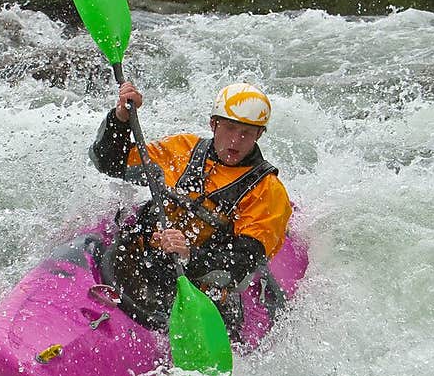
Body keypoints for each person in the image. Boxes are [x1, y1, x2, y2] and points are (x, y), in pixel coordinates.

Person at [89, 80, 292, 337]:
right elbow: (109, 162)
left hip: (200, 287)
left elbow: (243, 262)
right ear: (213, 124)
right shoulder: (182, 150)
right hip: (143, 258)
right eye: (229, 128)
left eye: (246, 133)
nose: (235, 141)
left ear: (259, 135)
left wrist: (188, 255)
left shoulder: (267, 191)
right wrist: (120, 118)